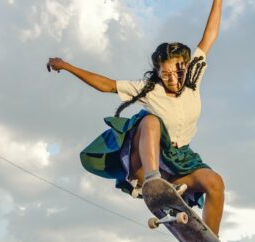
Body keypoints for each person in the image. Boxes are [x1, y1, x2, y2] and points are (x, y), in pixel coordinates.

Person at [47, 0, 224, 236]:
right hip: (150, 159)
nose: (173, 79)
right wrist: (68, 66)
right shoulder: (149, 89)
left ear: (186, 66)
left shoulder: (193, 76)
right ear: (158, 73)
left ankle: (209, 237)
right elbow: (106, 85)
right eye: (166, 74)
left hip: (182, 161)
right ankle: (152, 180)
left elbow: (209, 35)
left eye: (177, 72)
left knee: (215, 182)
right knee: (149, 120)